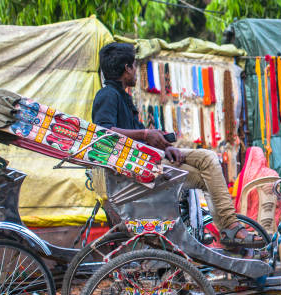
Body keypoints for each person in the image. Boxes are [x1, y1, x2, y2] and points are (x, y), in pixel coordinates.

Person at [92, 42, 262, 248]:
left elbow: (141, 137)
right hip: (133, 171)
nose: (136, 71)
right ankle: (230, 228)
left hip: (147, 160)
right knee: (205, 169)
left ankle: (229, 228)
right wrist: (145, 133)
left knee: (207, 161)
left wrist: (165, 147)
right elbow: (102, 132)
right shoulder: (108, 95)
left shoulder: (122, 96)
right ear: (127, 68)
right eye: (135, 66)